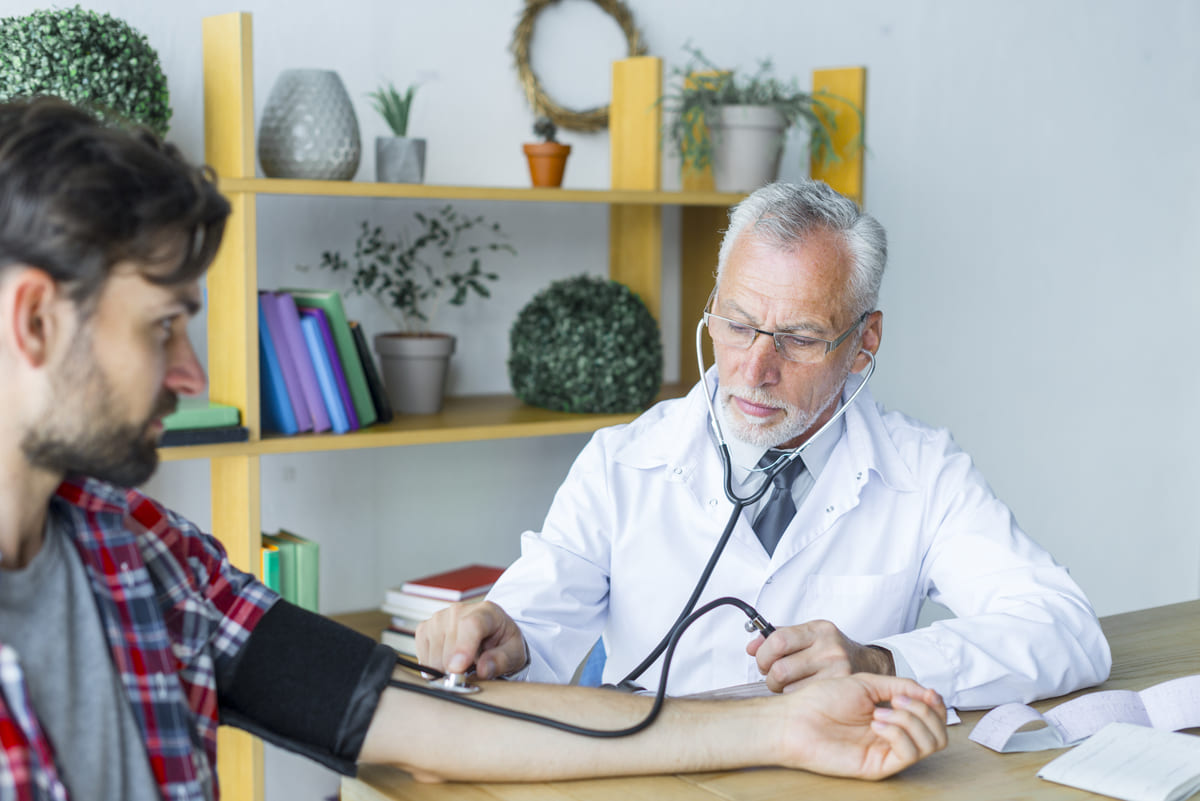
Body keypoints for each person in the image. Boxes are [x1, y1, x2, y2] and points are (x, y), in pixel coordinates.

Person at [0, 97, 948, 799]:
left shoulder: (148, 563)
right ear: (35, 320)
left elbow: (428, 718)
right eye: (163, 325)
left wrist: (779, 721)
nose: (193, 375)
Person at [419, 180, 1113, 711]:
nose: (753, 369)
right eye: (740, 323)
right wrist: (501, 634)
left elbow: (1067, 632)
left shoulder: (923, 471)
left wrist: (880, 662)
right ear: (713, 304)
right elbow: (533, 624)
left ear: (863, 342)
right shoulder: (621, 462)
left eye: (801, 338)